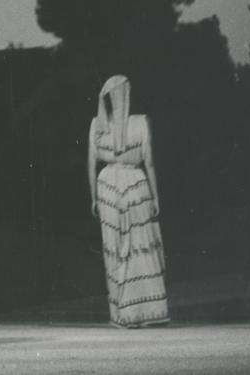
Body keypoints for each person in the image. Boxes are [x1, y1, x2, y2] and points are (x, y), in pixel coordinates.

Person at [88, 74, 169, 328]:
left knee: (116, 248)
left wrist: (94, 197)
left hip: (108, 187)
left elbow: (91, 163)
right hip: (134, 185)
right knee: (138, 245)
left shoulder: (98, 125)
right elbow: (149, 162)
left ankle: (124, 312)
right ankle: (142, 310)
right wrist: (155, 195)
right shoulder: (140, 123)